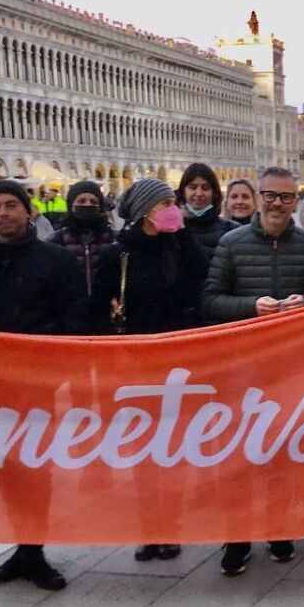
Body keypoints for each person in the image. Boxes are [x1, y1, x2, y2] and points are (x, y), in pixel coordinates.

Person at [202, 167, 304, 576]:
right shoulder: (231, 243)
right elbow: (210, 300)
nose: (277, 204)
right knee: (239, 454)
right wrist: (250, 306)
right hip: (243, 366)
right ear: (258, 198)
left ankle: (280, 529)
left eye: (286, 197)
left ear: (296, 201)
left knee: (281, 451)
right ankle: (237, 537)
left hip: (290, 367)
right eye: (270, 196)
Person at [0, 179, 86, 591]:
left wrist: (62, 376)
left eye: (12, 205)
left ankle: (33, 548)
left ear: (29, 212)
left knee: (36, 467)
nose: (3, 214)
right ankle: (23, 545)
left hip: (36, 385)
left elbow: (73, 324)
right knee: (3, 469)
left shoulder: (56, 261)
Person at [93, 179, 209, 564]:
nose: (175, 208)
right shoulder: (118, 255)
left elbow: (202, 282)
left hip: (177, 360)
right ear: (146, 211)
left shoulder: (180, 246)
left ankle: (170, 526)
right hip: (136, 363)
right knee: (144, 448)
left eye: (174, 202)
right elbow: (97, 308)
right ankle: (148, 527)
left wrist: (184, 235)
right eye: (167, 203)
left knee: (172, 445)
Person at [48, 180, 116, 299]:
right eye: (81, 201)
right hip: (69, 307)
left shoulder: (113, 237)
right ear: (71, 205)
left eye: (93, 201)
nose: (88, 205)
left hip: (105, 307)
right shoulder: (56, 239)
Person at [178, 163, 239, 257]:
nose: (199, 193)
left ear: (214, 193)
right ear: (183, 191)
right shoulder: (171, 230)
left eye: (205, 188)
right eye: (193, 187)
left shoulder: (232, 230)